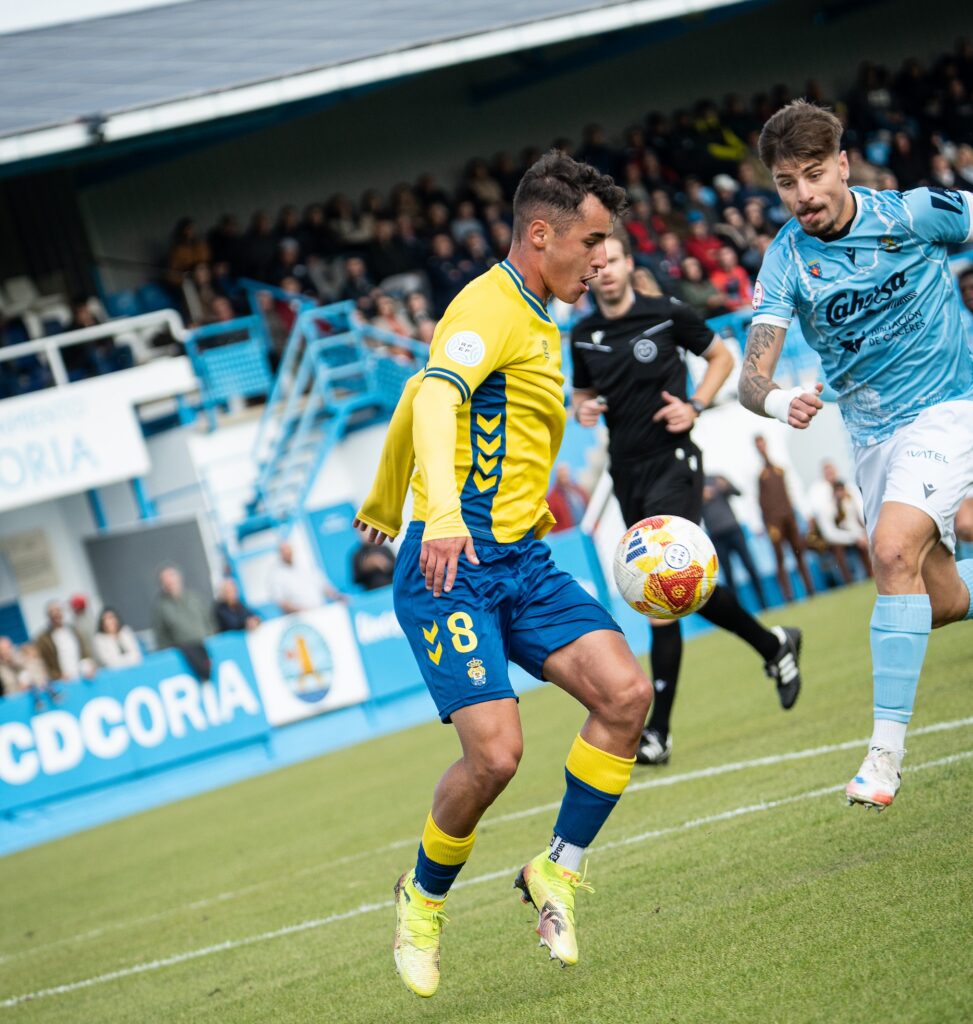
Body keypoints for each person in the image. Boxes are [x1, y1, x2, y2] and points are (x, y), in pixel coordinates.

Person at [352, 152, 653, 997]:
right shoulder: (486, 307)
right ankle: (421, 900)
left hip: (521, 557)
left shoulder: (537, 313)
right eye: (590, 242)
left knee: (625, 696)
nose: (601, 258)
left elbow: (416, 393)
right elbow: (435, 395)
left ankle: (555, 868)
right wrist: (434, 514)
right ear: (540, 234)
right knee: (495, 758)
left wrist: (384, 492)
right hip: (450, 562)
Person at [738, 99, 973, 810]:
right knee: (939, 600)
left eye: (814, 174)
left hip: (948, 408)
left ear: (842, 165)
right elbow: (751, 378)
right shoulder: (785, 260)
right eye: (786, 183)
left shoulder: (913, 214)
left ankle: (882, 758)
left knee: (891, 549)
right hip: (872, 439)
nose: (802, 195)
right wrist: (778, 400)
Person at [571, 232, 802, 767]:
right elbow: (583, 394)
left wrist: (695, 404)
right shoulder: (583, 334)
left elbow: (722, 356)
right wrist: (583, 408)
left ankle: (658, 733)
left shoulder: (667, 313)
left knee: (659, 589)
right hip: (626, 473)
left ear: (629, 262)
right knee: (672, 593)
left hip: (674, 463)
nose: (606, 270)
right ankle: (774, 646)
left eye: (614, 260)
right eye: (597, 264)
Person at [754, 435, 816, 602]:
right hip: (773, 522)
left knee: (799, 551)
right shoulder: (758, 473)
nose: (761, 447)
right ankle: (788, 595)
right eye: (758, 445)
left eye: (762, 444)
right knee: (779, 557)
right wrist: (759, 524)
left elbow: (793, 490)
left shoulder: (780, 467)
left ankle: (810, 588)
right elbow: (756, 499)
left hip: (789, 516)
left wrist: (805, 513)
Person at [701, 474, 769, 609]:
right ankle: (737, 609)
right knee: (728, 574)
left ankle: (764, 603)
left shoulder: (717, 477)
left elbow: (738, 492)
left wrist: (726, 486)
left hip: (733, 530)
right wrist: (699, 498)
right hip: (716, 536)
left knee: (750, 566)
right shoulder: (694, 488)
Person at [152, 565, 215, 682]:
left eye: (172, 578)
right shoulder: (161, 607)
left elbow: (208, 619)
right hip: (186, 654)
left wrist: (211, 636)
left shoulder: (193, 597)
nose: (170, 582)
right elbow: (161, 636)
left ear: (179, 578)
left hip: (206, 645)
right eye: (166, 581)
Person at [267, 540, 342, 614]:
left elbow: (323, 586)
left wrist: (337, 597)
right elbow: (281, 601)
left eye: (289, 549)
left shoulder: (305, 565)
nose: (287, 552)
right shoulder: (277, 575)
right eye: (284, 551)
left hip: (320, 610)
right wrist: (301, 611)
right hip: (299, 617)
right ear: (280, 554)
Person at [34, 601, 96, 682]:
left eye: (58, 611)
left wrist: (88, 665)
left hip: (81, 678)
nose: (55, 614)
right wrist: (57, 675)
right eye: (52, 612)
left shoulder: (73, 631)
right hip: (61, 682)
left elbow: (84, 652)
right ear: (48, 616)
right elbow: (43, 663)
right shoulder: (43, 639)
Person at [545, 464, 590, 532]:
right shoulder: (552, 499)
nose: (564, 476)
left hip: (587, 528)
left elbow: (588, 504)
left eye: (565, 474)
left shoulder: (577, 489)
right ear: (557, 477)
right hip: (571, 534)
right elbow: (551, 524)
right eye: (562, 475)